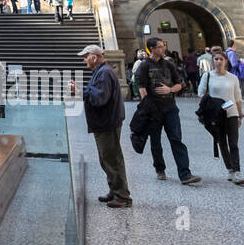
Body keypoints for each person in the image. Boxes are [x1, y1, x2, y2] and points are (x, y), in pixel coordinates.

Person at [135, 37, 201, 185]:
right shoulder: (144, 66)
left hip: (170, 108)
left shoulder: (169, 64)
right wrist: (147, 109)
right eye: (160, 46)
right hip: (154, 111)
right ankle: (160, 169)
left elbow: (179, 84)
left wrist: (169, 89)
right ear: (152, 48)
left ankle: (185, 174)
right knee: (156, 142)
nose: (163, 48)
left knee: (176, 139)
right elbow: (142, 89)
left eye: (163, 45)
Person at [72, 45, 129, 207]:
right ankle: (115, 190)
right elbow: (96, 92)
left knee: (111, 159)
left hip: (107, 122)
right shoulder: (102, 71)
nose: (84, 61)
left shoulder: (104, 73)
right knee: (107, 158)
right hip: (107, 121)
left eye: (85, 57)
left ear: (94, 58)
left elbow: (99, 98)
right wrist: (82, 89)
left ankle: (122, 196)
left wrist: (80, 91)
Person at [199, 51, 244, 184]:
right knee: (222, 143)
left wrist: (240, 114)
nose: (218, 61)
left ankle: (237, 171)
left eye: (221, 59)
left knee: (233, 143)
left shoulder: (233, 78)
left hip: (231, 113)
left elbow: (237, 97)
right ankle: (230, 169)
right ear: (213, 61)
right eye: (216, 59)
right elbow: (201, 94)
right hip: (216, 115)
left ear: (226, 61)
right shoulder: (207, 76)